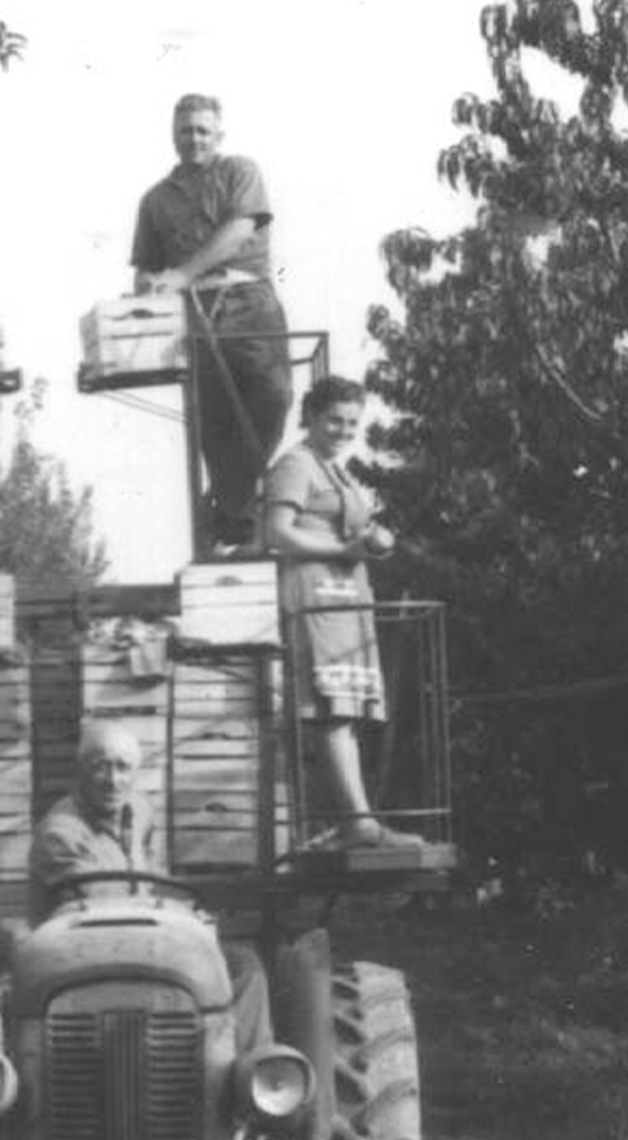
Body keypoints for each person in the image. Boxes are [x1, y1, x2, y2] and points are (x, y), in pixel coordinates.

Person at [29, 720, 274, 1053]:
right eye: (100, 767)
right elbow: (104, 908)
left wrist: (191, 915)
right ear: (80, 771)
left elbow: (153, 878)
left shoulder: (140, 811)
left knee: (244, 965)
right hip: (83, 951)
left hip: (144, 937)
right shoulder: (60, 832)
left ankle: (247, 1076)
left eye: (122, 768)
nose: (112, 781)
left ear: (136, 773)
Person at [264, 375, 421, 853]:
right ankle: (359, 823)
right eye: (334, 419)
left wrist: (378, 539)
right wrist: (344, 545)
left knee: (347, 711)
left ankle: (360, 821)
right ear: (310, 415)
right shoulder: (296, 464)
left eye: (352, 422)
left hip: (347, 596)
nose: (342, 429)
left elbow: (358, 532)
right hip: (315, 595)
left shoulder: (340, 471)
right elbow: (278, 533)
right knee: (333, 709)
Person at [131, 93, 293, 556]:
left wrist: (182, 273)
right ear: (173, 135)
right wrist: (150, 286)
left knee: (274, 396)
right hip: (195, 314)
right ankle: (235, 517)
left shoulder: (240, 172)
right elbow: (145, 265)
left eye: (203, 130)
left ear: (219, 134)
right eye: (186, 130)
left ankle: (229, 507)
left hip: (248, 300)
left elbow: (241, 230)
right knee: (215, 422)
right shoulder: (155, 199)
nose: (195, 139)